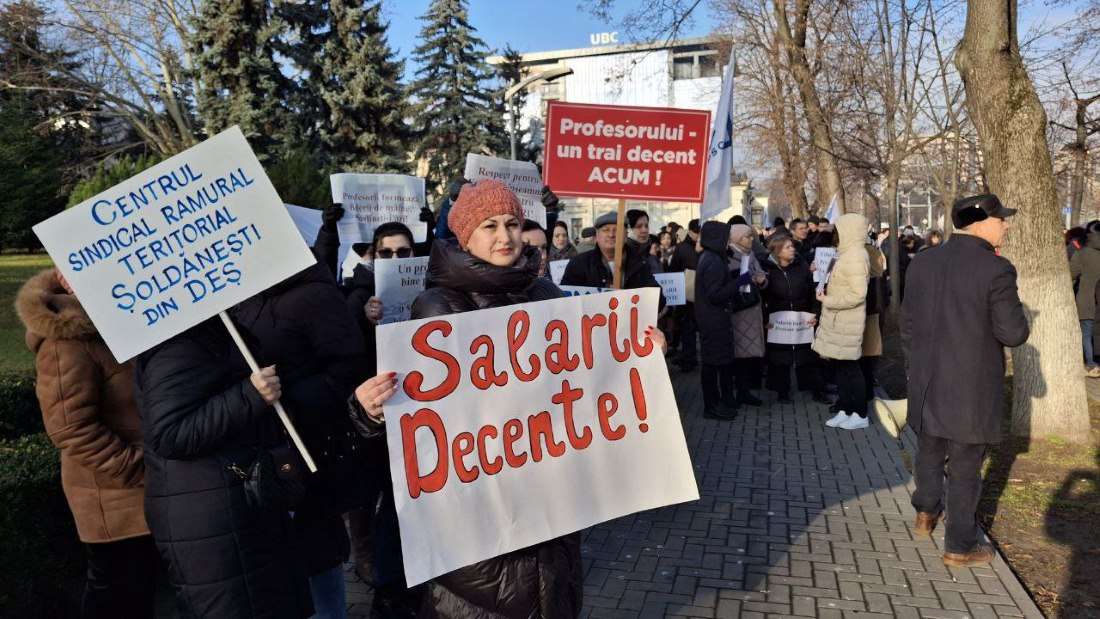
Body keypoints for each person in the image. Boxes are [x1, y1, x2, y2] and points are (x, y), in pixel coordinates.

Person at [351, 179, 666, 616]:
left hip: (551, 518)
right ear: (464, 234)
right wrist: (370, 410)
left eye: (513, 223)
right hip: (476, 540)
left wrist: (637, 352)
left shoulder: (545, 295)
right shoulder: (438, 306)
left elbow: (587, 384)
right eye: (489, 225)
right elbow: (419, 427)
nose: (505, 236)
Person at [135, 319, 313, 618]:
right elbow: (170, 434)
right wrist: (250, 395)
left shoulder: (208, 332)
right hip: (212, 517)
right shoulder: (176, 346)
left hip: (229, 504)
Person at [17, 268, 157, 619]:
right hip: (116, 501)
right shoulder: (67, 340)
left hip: (155, 489)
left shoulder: (133, 316)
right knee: (119, 596)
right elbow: (69, 427)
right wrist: (138, 467)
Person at [903, 193, 1029, 567]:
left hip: (927, 378)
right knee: (965, 466)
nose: (1005, 224)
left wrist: (916, 366)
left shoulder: (922, 263)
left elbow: (908, 325)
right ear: (980, 222)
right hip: (971, 384)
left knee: (929, 448)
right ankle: (959, 544)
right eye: (1001, 218)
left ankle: (925, 514)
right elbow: (1013, 333)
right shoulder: (996, 269)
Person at [813, 213, 871, 430]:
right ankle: (846, 409)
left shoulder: (856, 255)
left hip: (847, 320)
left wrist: (829, 300)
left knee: (851, 368)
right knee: (841, 367)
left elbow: (858, 294)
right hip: (838, 320)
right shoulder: (845, 253)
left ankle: (860, 413)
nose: (835, 235)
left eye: (838, 230)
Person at [696, 221, 756, 419]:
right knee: (712, 365)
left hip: (714, 318)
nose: (728, 240)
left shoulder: (713, 257)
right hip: (713, 320)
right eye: (724, 236)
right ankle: (711, 407)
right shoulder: (712, 259)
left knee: (718, 362)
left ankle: (719, 402)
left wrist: (734, 277)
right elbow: (715, 294)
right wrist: (739, 282)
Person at [761, 236, 819, 403]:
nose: (792, 249)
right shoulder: (768, 270)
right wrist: (765, 319)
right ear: (777, 251)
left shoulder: (801, 267)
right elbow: (763, 297)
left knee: (807, 353)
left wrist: (815, 313)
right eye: (787, 247)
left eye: (792, 246)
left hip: (802, 318)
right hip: (779, 320)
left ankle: (813, 387)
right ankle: (782, 391)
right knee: (779, 356)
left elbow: (811, 292)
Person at [561, 211, 664, 304]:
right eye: (606, 230)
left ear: (626, 235)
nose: (611, 234)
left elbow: (658, 301)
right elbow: (565, 301)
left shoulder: (640, 264)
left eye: (617, 230)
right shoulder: (578, 264)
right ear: (597, 236)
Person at [728, 224, 767, 406]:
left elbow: (760, 272)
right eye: (747, 237)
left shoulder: (750, 254)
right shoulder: (728, 255)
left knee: (748, 354)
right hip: (738, 310)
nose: (751, 239)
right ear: (736, 238)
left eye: (751, 236)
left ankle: (745, 390)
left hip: (752, 308)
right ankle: (737, 390)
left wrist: (762, 279)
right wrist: (748, 278)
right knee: (738, 352)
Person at [668, 219, 701, 371]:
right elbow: (673, 270)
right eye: (697, 233)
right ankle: (689, 359)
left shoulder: (686, 247)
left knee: (691, 328)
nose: (699, 236)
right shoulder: (683, 248)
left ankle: (690, 358)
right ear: (692, 232)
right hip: (687, 293)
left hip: (695, 293)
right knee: (688, 328)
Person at [1070, 220, 1100, 375]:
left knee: (1086, 334)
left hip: (1087, 301)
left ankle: (1091, 364)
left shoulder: (1082, 253)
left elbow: (1071, 274)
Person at [861, 243, 888, 407]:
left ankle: (866, 391)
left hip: (868, 313)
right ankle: (869, 389)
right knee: (869, 356)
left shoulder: (869, 278)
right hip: (876, 313)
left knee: (864, 356)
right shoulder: (878, 276)